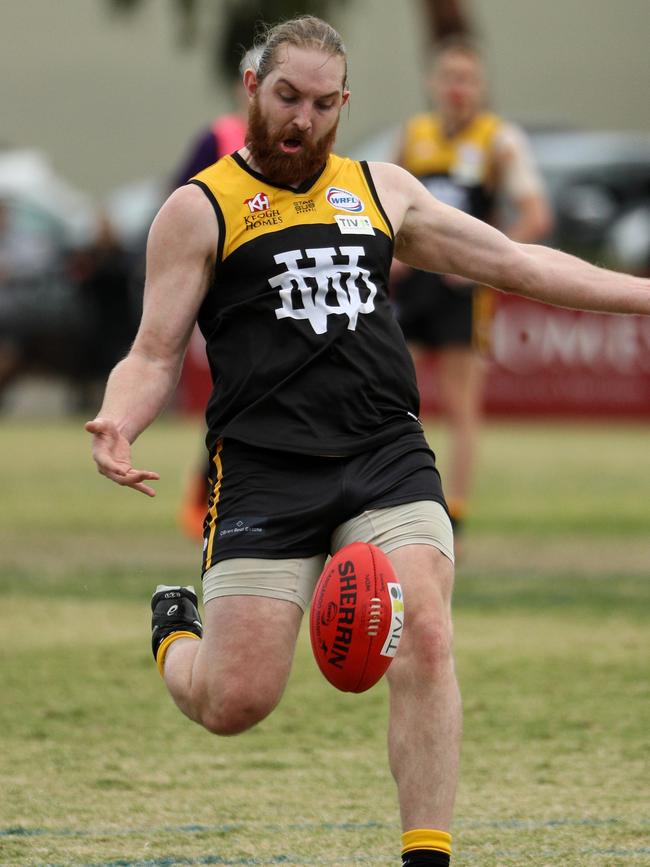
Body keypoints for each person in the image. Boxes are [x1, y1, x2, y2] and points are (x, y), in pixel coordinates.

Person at [85, 16, 650, 866]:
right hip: (266, 470)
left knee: (425, 628)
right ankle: (174, 627)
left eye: (321, 103)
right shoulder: (200, 210)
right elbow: (154, 352)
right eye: (286, 97)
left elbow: (522, 264)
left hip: (385, 453)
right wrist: (118, 421)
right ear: (252, 89)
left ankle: (428, 853)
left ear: (343, 104)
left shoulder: (383, 189)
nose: (301, 119)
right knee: (234, 701)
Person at [392, 38, 553, 545]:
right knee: (398, 395)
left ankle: (455, 508)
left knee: (461, 404)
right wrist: (392, 257)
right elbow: (388, 207)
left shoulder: (497, 141)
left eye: (468, 79)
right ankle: (399, 494)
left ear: (481, 88)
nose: (458, 89)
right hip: (415, 285)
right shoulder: (414, 137)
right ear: (433, 84)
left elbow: (535, 214)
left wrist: (485, 261)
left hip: (462, 291)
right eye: (450, 78)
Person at [172, 48, 259, 540]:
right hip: (225, 291)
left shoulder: (301, 146)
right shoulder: (218, 137)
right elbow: (179, 199)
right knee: (235, 390)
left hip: (277, 291)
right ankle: (202, 492)